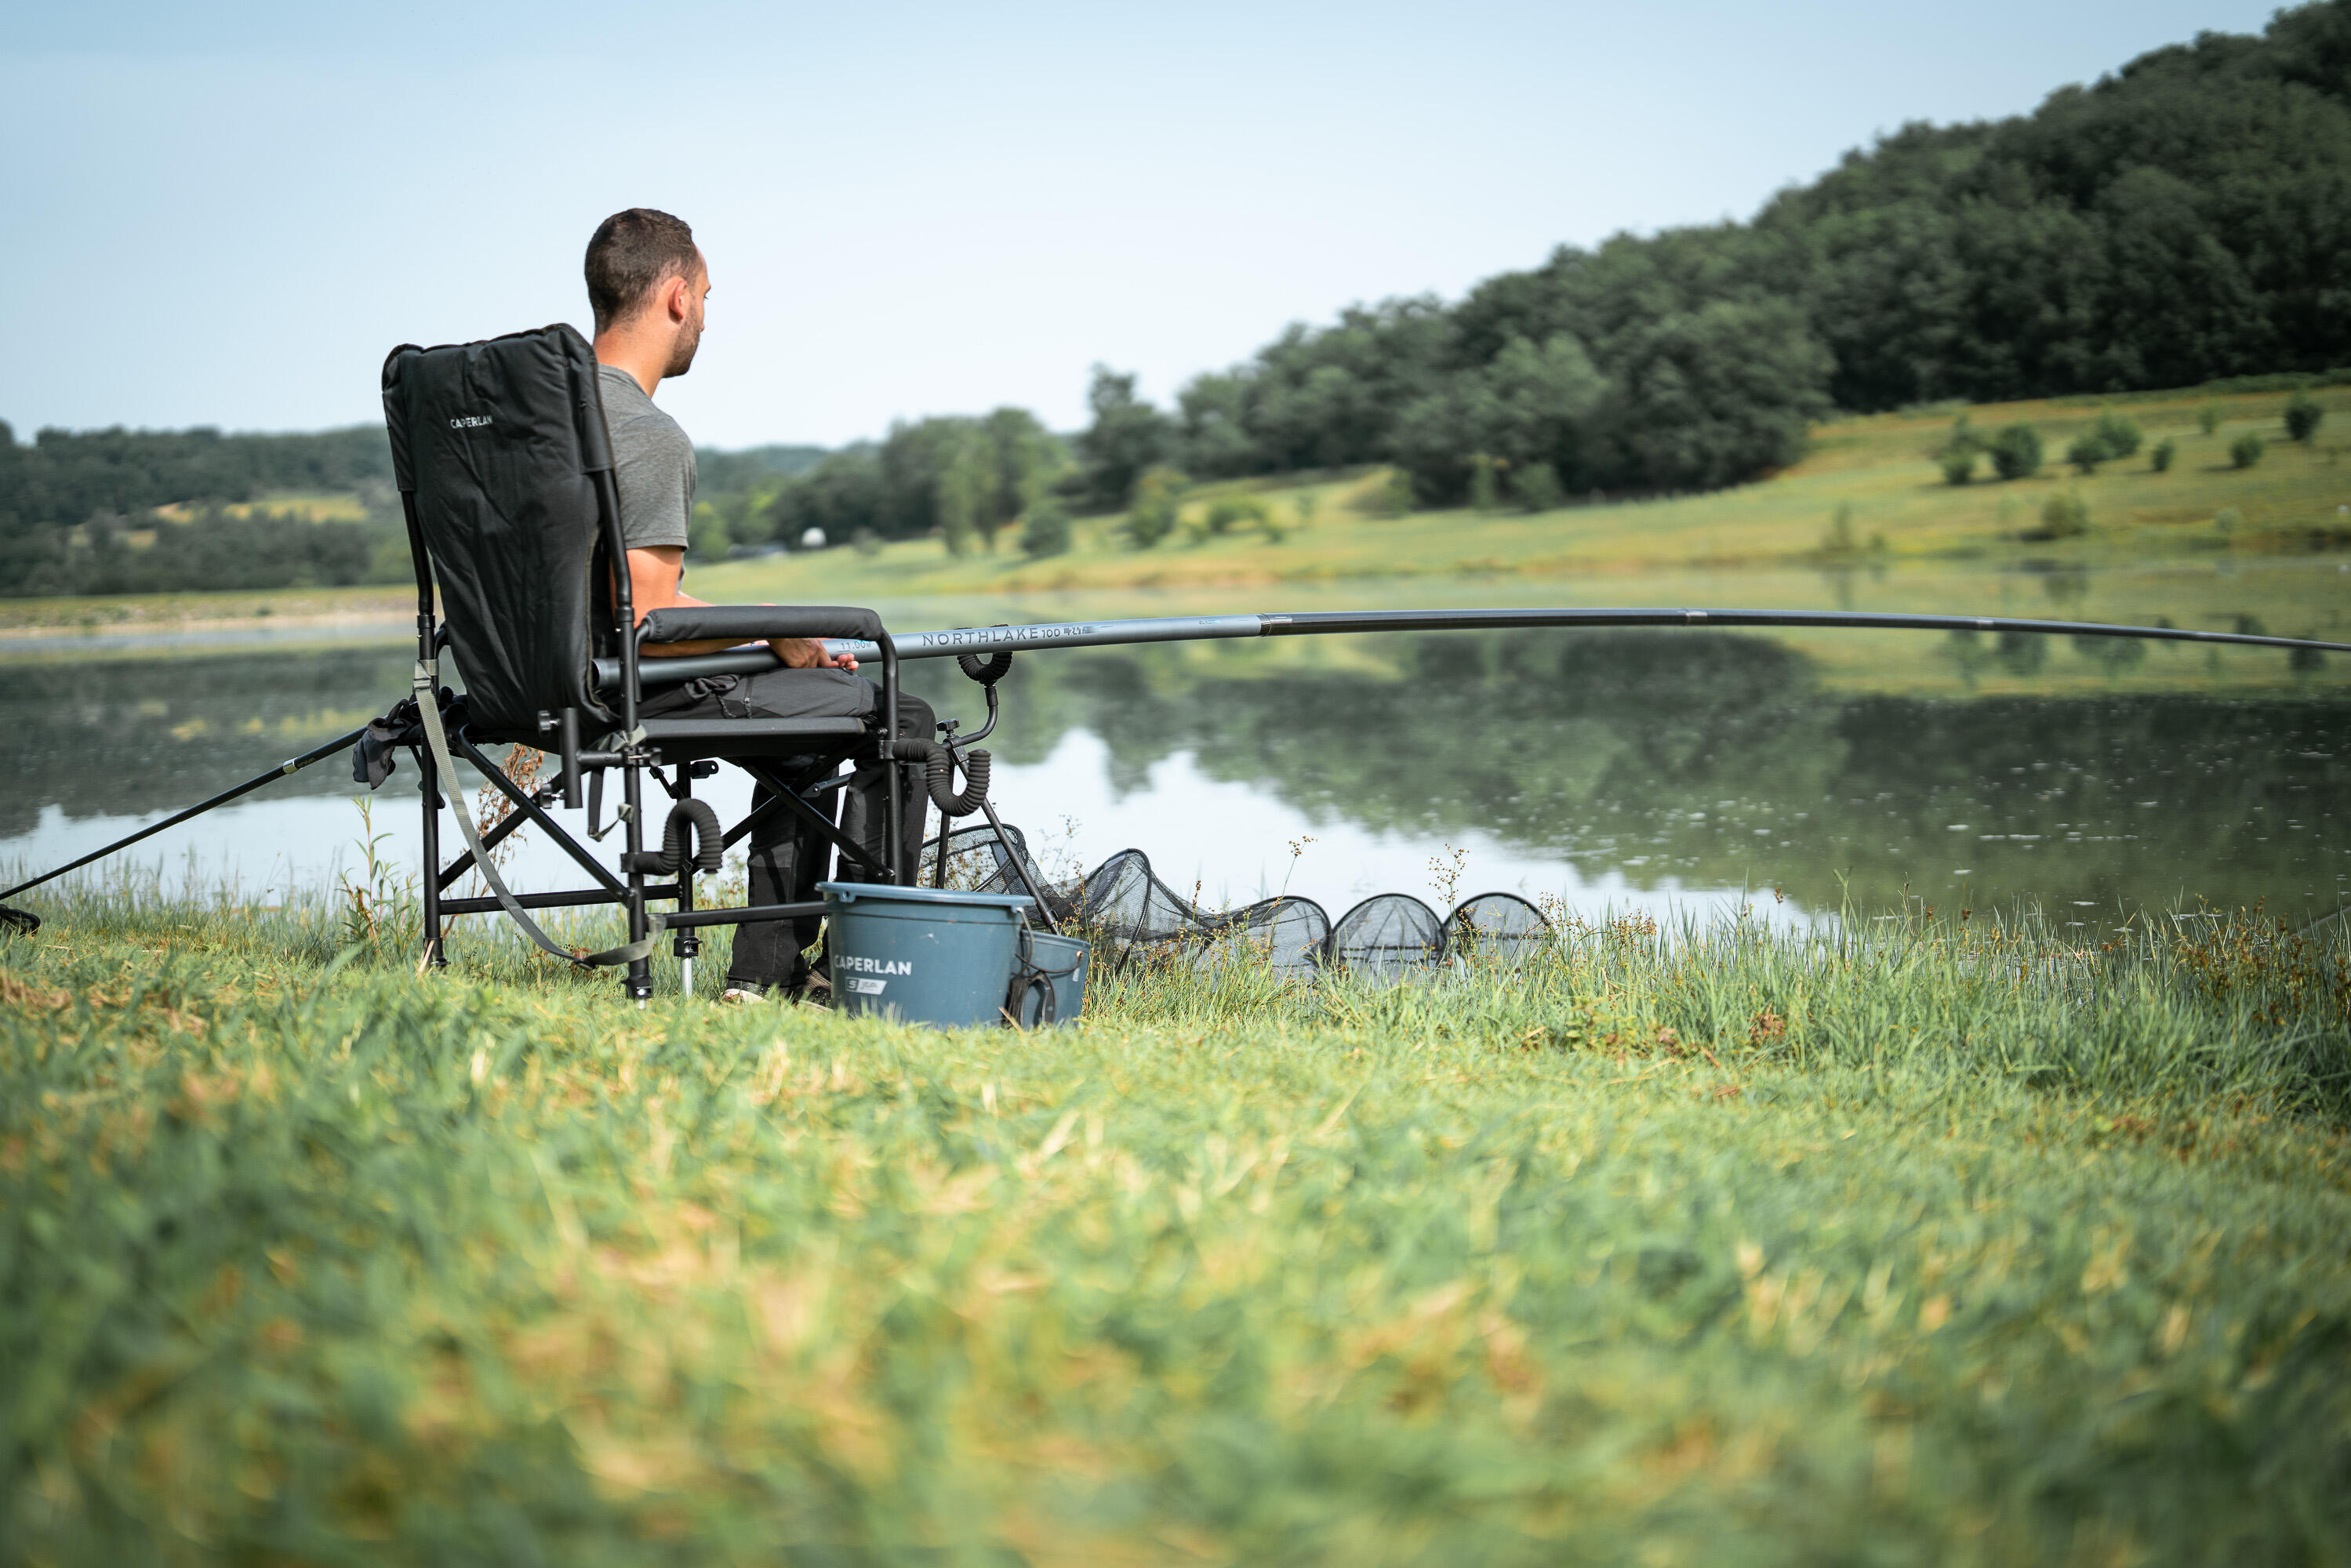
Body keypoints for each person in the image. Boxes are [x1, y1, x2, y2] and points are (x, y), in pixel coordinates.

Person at [584, 207, 932, 1003]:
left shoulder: (531, 424)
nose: (705, 316)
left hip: (533, 685)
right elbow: (642, 623)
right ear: (675, 295)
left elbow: (619, 596)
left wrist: (774, 635)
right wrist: (772, 627)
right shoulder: (641, 431)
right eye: (706, 296)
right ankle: (869, 971)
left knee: (806, 726)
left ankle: (765, 975)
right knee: (900, 718)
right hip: (623, 688)